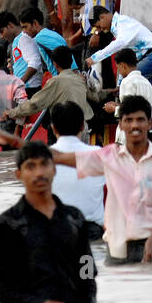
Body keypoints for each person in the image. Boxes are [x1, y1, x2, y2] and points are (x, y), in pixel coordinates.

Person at [52, 95, 152, 264]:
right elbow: (64, 159)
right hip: (116, 249)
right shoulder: (108, 156)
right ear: (121, 125)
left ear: (149, 124)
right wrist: (20, 144)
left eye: (140, 120)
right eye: (128, 120)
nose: (135, 125)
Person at [0, 141, 98, 303]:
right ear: (18, 174)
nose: (39, 173)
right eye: (31, 166)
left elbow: (87, 270)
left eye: (44, 164)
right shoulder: (7, 225)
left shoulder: (74, 218)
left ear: (54, 169)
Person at [48, 101, 105, 236]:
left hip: (58, 231)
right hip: (92, 231)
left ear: (53, 129)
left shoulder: (41, 159)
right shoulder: (99, 154)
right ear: (82, 126)